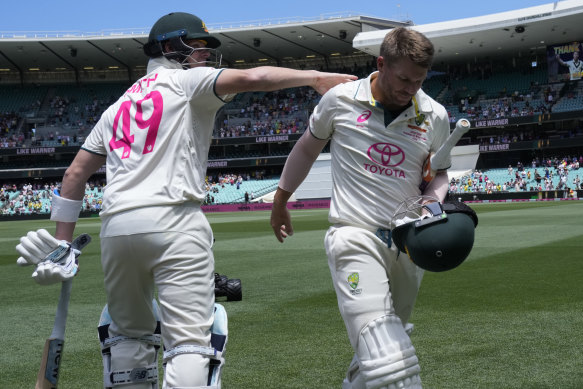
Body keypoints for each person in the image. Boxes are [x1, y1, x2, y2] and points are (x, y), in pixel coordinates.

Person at [15, 11, 356, 389]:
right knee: (191, 344)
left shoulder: (116, 107)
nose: (204, 54)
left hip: (116, 229)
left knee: (128, 337)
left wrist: (63, 244)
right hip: (175, 221)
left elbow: (74, 175)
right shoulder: (186, 82)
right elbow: (254, 77)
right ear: (168, 47)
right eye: (196, 46)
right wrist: (316, 77)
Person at [270, 27, 451, 388]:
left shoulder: (434, 114)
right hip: (354, 234)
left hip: (407, 243)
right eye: (403, 79)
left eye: (418, 81)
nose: (410, 89)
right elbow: (307, 148)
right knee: (388, 354)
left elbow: (440, 174)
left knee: (377, 350)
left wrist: (433, 203)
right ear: (381, 64)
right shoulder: (340, 100)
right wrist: (280, 200)